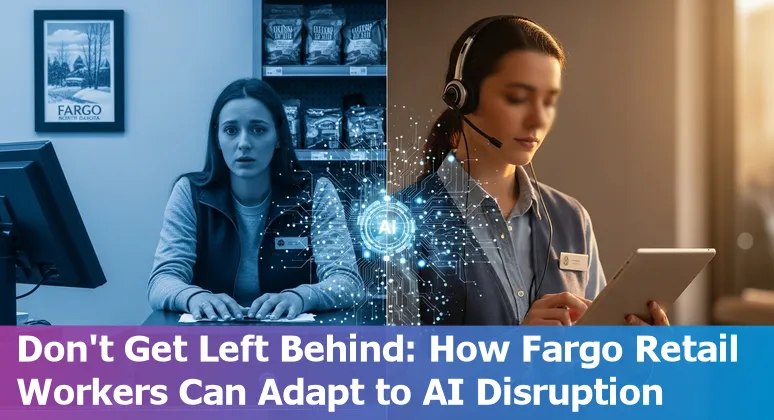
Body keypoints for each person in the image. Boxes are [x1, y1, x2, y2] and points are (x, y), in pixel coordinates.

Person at [388, 15, 669, 327]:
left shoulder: (571, 218)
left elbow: (594, 355)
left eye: (549, 101)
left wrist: (634, 354)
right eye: (518, 98)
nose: (538, 120)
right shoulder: (399, 225)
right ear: (463, 97)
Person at [147, 78, 365, 321]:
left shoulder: (317, 193)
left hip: (296, 343)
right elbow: (161, 281)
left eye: (258, 129)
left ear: (279, 137)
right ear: (217, 139)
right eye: (230, 130)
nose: (244, 143)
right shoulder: (189, 192)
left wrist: (301, 297)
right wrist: (193, 297)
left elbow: (348, 283)